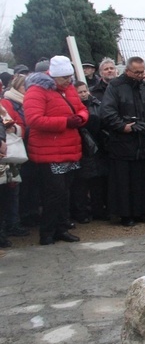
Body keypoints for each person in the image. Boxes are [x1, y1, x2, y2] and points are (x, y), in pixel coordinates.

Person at [24, 56, 88, 244]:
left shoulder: (69, 89)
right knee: (53, 194)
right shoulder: (37, 90)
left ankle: (61, 228)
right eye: (64, 78)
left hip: (69, 150)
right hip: (48, 151)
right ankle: (47, 232)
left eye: (70, 76)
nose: (68, 81)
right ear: (53, 76)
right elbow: (33, 119)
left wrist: (81, 118)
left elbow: (82, 108)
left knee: (65, 192)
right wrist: (65, 122)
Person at [101, 56, 145, 227]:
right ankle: (125, 214)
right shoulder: (115, 87)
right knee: (123, 181)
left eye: (142, 72)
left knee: (142, 180)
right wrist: (123, 127)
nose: (140, 75)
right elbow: (107, 111)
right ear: (127, 71)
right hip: (122, 143)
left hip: (143, 142)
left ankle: (141, 211)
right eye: (137, 72)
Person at [69, 81, 108, 223]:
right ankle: (81, 212)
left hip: (97, 146)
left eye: (85, 91)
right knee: (81, 184)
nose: (84, 94)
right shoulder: (73, 108)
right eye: (80, 92)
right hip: (82, 148)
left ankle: (98, 209)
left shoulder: (97, 104)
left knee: (98, 182)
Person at [0, 74, 31, 236]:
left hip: (11, 154)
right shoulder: (6, 103)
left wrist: (15, 129)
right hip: (5, 153)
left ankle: (12, 224)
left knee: (12, 189)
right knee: (6, 192)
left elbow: (16, 125)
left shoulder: (4, 105)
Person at [0, 102, 24, 247]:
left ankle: (3, 231)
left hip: (5, 159)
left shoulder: (3, 108)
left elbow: (15, 126)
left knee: (5, 196)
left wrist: (12, 128)